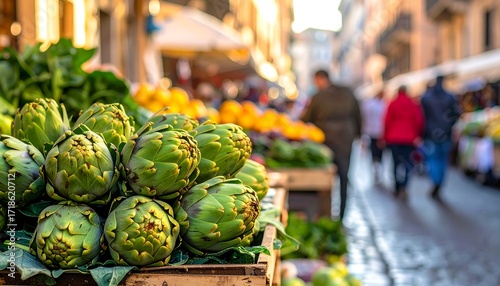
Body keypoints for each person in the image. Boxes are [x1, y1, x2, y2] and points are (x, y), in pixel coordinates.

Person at [301, 70, 362, 220]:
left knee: (324, 176)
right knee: (344, 176)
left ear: (320, 79)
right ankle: (342, 214)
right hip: (346, 138)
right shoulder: (347, 92)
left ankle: (324, 214)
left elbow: (306, 118)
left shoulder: (318, 96)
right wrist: (357, 133)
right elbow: (358, 115)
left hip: (325, 139)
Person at [420, 75, 461, 199]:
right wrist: (449, 126)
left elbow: (422, 117)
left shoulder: (426, 98)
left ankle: (436, 181)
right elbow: (456, 114)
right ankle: (439, 182)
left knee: (433, 159)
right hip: (445, 133)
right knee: (442, 159)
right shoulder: (450, 97)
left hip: (431, 134)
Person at [383, 86, 424, 198]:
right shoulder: (413, 104)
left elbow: (387, 120)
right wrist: (417, 135)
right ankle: (404, 186)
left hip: (394, 138)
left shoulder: (393, 103)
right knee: (408, 163)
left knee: (396, 163)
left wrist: (385, 136)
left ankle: (397, 186)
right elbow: (419, 120)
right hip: (409, 139)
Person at [361, 89, 386, 183]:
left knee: (374, 149)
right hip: (378, 131)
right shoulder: (382, 105)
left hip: (372, 131)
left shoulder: (369, 104)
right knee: (378, 150)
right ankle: (377, 164)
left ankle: (376, 164)